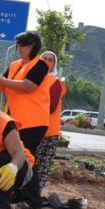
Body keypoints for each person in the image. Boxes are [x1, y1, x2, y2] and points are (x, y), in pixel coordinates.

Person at [0, 31, 51, 157]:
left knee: (25, 157)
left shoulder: (41, 64)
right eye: (18, 45)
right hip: (13, 120)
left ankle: (30, 177)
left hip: (33, 122)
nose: (19, 48)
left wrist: (1, 80)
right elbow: (2, 86)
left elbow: (28, 86)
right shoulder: (14, 65)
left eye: (23, 45)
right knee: (11, 155)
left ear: (34, 46)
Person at [35, 51, 67, 190]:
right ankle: (25, 192)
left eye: (50, 60)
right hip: (34, 127)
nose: (47, 61)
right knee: (31, 162)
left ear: (54, 65)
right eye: (44, 58)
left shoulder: (54, 83)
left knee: (42, 164)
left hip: (48, 131)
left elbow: (51, 107)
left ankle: (35, 192)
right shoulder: (33, 79)